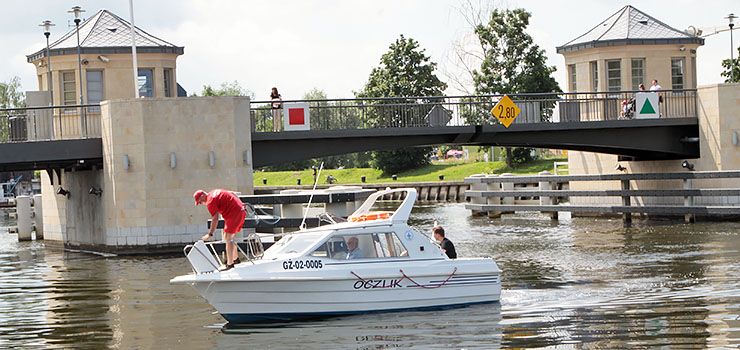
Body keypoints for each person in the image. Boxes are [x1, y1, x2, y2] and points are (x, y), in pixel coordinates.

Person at [194, 189, 246, 270]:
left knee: (228, 238)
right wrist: (241, 204)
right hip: (240, 210)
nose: (201, 204)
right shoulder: (214, 192)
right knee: (229, 236)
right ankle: (235, 259)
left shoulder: (210, 201)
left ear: (203, 196)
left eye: (200, 202)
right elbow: (231, 193)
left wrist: (210, 234)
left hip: (234, 213)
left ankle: (230, 264)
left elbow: (215, 218)